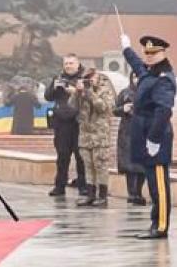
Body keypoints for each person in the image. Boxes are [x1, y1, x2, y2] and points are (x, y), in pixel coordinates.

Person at [121, 34, 176, 239]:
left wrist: (153, 139)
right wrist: (126, 49)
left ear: (163, 53)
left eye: (154, 53)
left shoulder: (164, 79)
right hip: (145, 134)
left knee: (159, 185)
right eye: (147, 53)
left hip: (156, 136)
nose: (149, 57)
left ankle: (160, 225)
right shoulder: (150, 74)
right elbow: (137, 65)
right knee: (153, 182)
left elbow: (164, 111)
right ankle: (156, 222)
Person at [72, 68, 115, 207]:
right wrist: (77, 93)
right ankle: (90, 194)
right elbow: (72, 107)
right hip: (85, 134)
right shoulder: (83, 91)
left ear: (97, 76)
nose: (89, 80)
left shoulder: (105, 89)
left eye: (91, 77)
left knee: (101, 165)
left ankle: (102, 196)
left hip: (100, 135)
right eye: (86, 78)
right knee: (88, 166)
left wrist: (89, 92)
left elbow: (104, 108)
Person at [46, 54, 88, 197]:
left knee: (80, 157)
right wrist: (54, 88)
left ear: (78, 64)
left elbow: (90, 98)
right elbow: (48, 97)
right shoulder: (58, 78)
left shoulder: (84, 79)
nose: (68, 66)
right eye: (66, 64)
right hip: (62, 124)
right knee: (62, 156)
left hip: (78, 122)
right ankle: (59, 186)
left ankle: (83, 186)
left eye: (71, 63)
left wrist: (77, 91)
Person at [114, 72, 146, 205]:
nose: (137, 79)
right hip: (127, 132)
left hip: (144, 131)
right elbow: (114, 109)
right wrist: (123, 109)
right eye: (135, 77)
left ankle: (139, 192)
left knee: (142, 166)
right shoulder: (124, 93)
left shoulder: (149, 92)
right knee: (129, 165)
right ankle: (132, 193)